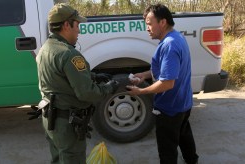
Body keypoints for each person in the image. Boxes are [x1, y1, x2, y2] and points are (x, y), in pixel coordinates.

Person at [36, 3, 119, 164]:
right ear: (67, 25)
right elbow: (87, 93)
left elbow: (60, 77)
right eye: (77, 24)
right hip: (66, 124)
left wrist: (93, 76)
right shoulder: (69, 54)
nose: (79, 30)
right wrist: (109, 87)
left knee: (58, 159)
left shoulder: (46, 48)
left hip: (50, 119)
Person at [126, 3, 199, 164]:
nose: (147, 28)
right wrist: (145, 75)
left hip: (170, 108)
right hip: (183, 103)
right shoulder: (176, 37)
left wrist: (140, 92)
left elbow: (167, 83)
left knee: (167, 150)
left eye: (150, 24)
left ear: (162, 22)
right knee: (184, 135)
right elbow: (169, 70)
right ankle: (192, 160)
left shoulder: (169, 45)